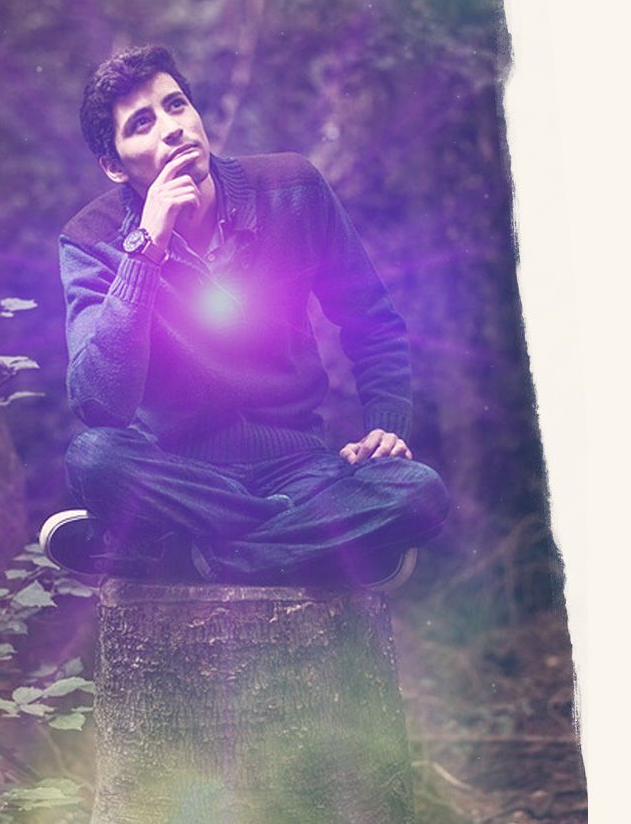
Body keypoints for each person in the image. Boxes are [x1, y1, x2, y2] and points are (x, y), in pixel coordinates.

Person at [39, 44, 448, 586]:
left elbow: (371, 319)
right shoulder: (91, 241)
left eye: (176, 105)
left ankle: (186, 556)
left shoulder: (292, 188)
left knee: (418, 492)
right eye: (142, 123)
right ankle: (314, 547)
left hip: (301, 470)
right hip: (182, 474)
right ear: (114, 166)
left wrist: (385, 430)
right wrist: (145, 250)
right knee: (94, 459)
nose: (172, 128)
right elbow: (99, 404)